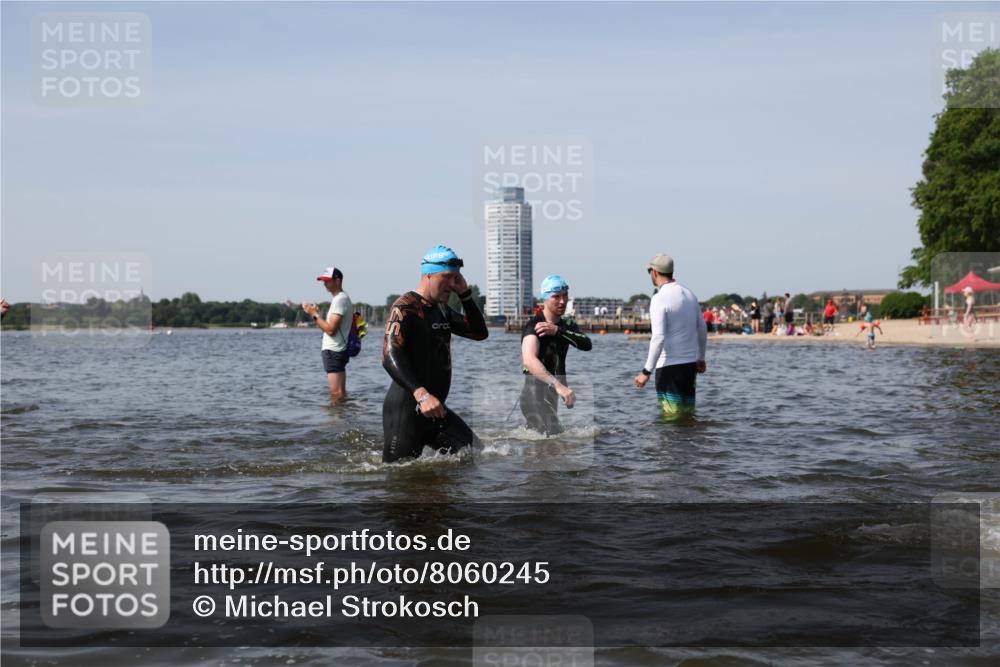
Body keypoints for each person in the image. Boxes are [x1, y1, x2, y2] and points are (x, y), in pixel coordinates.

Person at [381, 245, 488, 462]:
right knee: (398, 479)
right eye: (447, 277)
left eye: (456, 278)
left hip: (435, 410)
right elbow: (389, 354)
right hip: (407, 411)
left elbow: (479, 333)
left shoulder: (441, 309)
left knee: (476, 455)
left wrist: (465, 295)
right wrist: (422, 394)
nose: (451, 284)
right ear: (428, 274)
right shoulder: (404, 307)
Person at [634, 254, 707, 418]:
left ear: (654, 272)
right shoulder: (689, 294)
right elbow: (702, 328)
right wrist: (700, 358)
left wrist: (646, 372)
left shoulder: (659, 298)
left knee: (671, 418)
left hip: (669, 368)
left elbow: (658, 337)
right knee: (687, 416)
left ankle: (674, 444)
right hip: (689, 366)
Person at [520, 275, 592, 435]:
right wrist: (559, 386)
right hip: (534, 394)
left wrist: (557, 331)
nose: (562, 301)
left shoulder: (566, 325)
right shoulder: (534, 326)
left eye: (565, 296)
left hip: (553, 393)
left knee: (550, 443)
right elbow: (529, 361)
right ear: (545, 298)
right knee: (550, 437)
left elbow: (586, 344)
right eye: (556, 297)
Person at [302, 267, 352, 401]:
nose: (325, 284)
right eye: (324, 281)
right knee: (341, 393)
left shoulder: (339, 300)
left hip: (334, 351)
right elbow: (330, 328)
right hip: (339, 350)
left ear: (338, 280)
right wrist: (318, 316)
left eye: (327, 281)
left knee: (336, 393)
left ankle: (335, 420)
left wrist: (314, 314)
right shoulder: (342, 298)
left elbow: (330, 330)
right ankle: (343, 418)